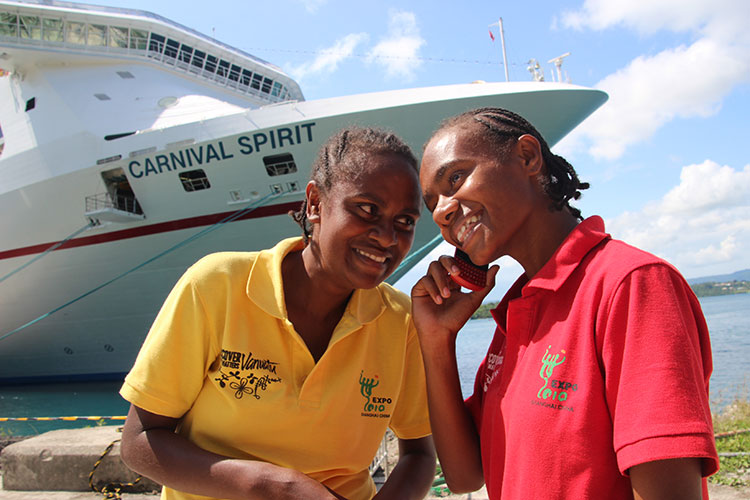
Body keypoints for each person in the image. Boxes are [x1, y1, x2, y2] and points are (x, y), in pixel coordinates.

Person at [411, 107, 719, 500]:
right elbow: (465, 476)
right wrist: (437, 341)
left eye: (456, 178)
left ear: (527, 157)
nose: (441, 211)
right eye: (432, 202)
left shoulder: (630, 285)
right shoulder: (517, 311)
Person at [119, 126, 436, 500]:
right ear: (315, 203)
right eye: (367, 210)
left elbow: (419, 452)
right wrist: (271, 486)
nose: (387, 237)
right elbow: (139, 443)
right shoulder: (217, 286)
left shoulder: (400, 321)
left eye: (405, 222)